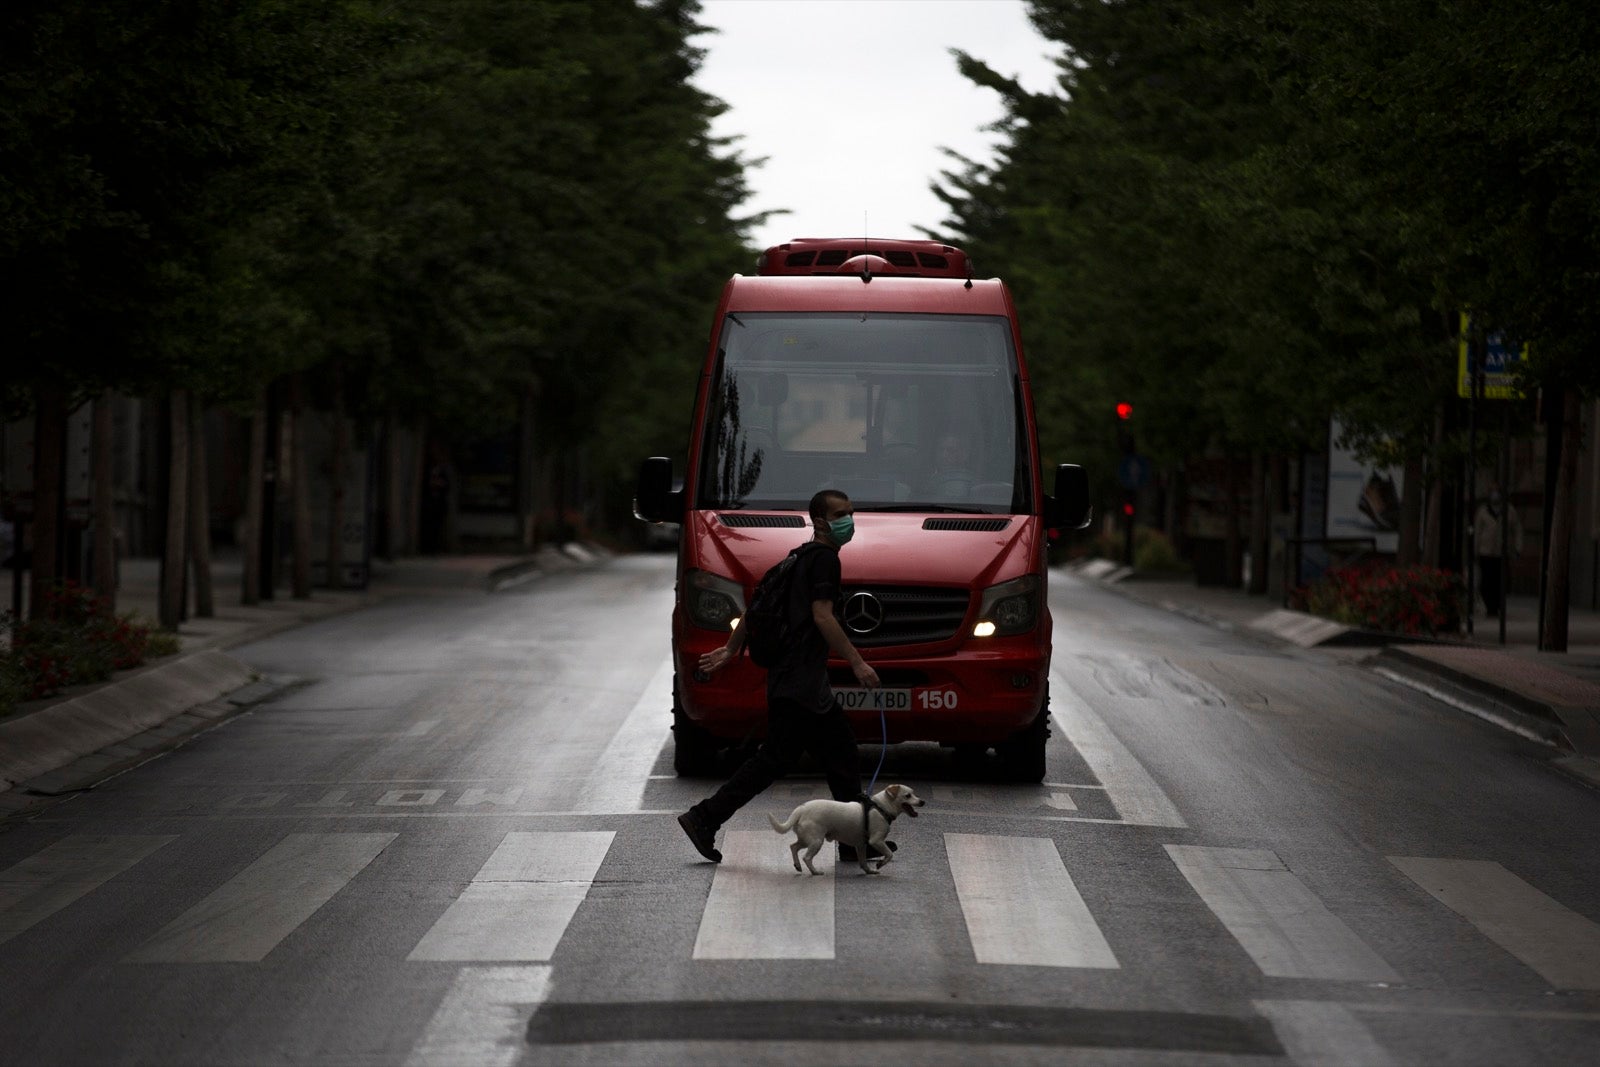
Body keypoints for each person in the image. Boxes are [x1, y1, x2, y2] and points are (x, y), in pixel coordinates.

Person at [677, 489, 881, 864]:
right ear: (820, 521)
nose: (848, 520)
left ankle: (857, 842)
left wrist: (730, 648)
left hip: (793, 680)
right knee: (783, 759)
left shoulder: (795, 559)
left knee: (839, 753)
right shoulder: (823, 561)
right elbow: (823, 616)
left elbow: (758, 607)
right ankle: (704, 817)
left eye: (851, 512)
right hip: (802, 684)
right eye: (840, 514)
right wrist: (857, 662)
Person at [1474, 486, 1523, 618]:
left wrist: (1518, 548)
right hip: (1485, 552)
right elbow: (1477, 532)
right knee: (1486, 581)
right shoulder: (1483, 511)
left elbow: (1517, 529)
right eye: (1492, 492)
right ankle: (1490, 606)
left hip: (1502, 552)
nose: (1495, 495)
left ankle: (1496, 605)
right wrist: (1475, 549)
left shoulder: (1509, 510)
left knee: (1500, 581)